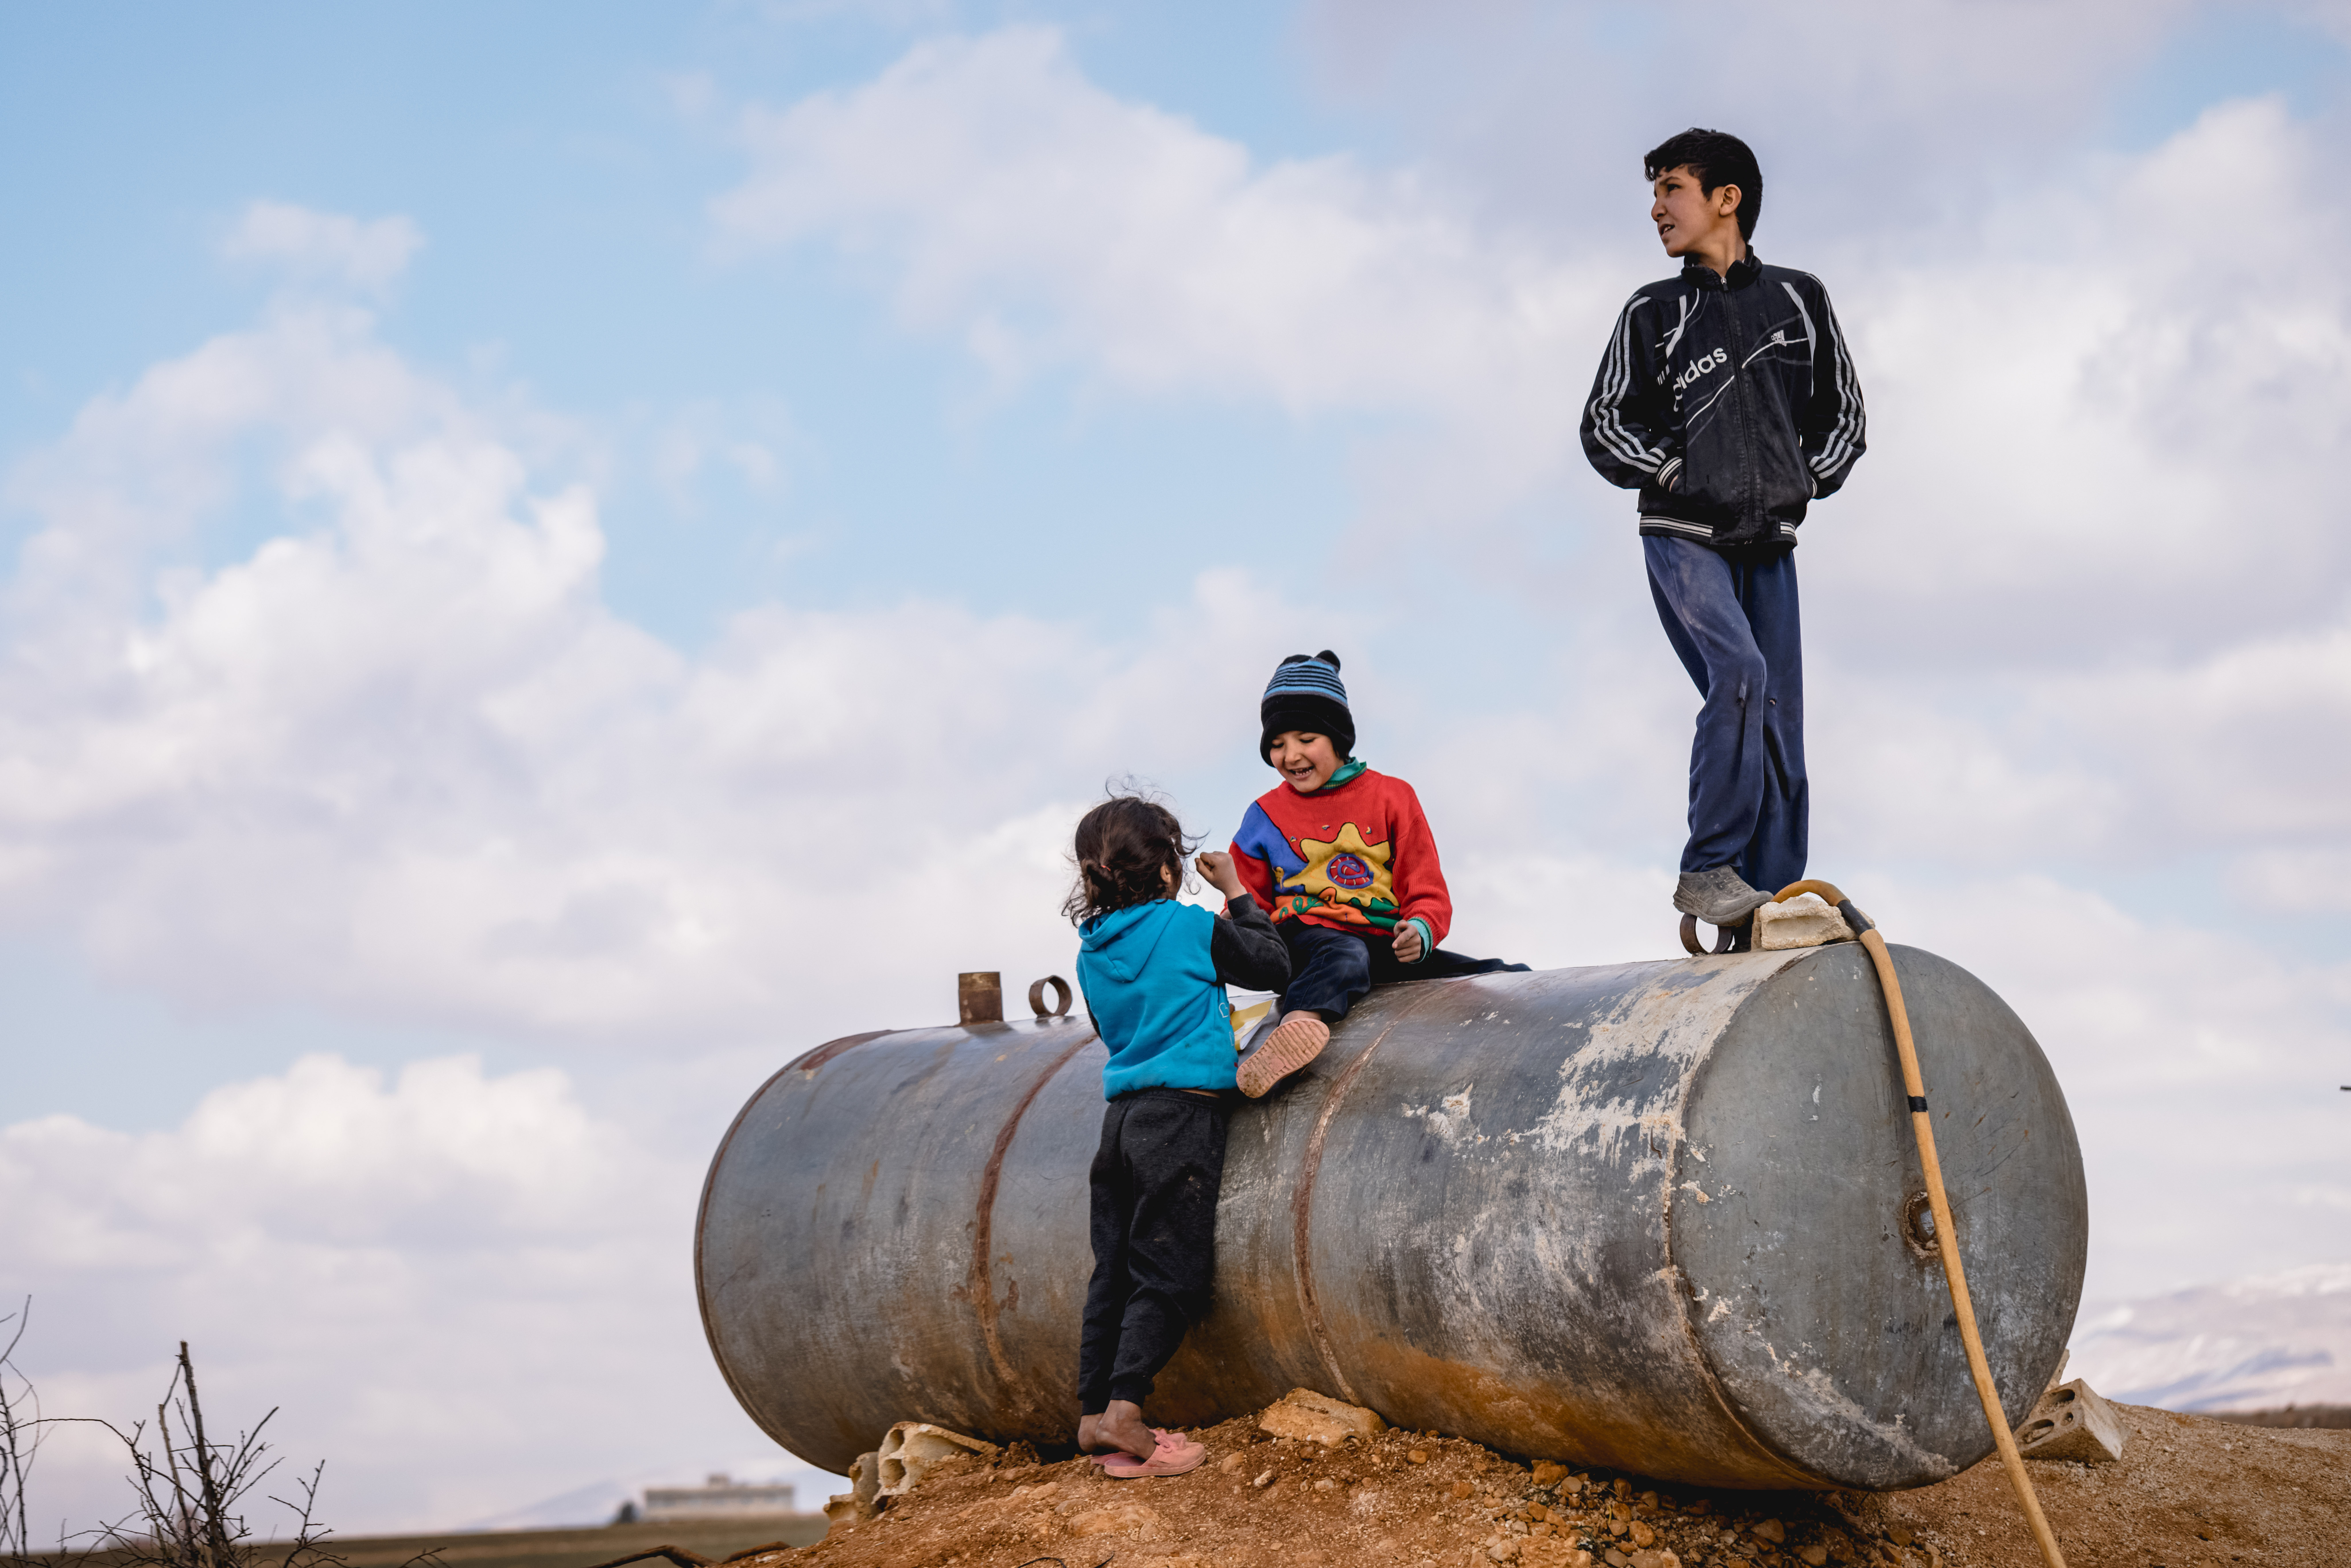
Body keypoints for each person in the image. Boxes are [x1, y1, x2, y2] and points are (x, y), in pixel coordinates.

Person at [1578, 127, 1865, 941]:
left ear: (1725, 198)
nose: (1657, 209)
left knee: (1779, 716)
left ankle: (1772, 901)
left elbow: (1844, 417)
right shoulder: (1652, 311)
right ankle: (1709, 869)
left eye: (1672, 189)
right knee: (1738, 672)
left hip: (1769, 540)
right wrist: (1677, 473)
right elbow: (1605, 424)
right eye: (1656, 194)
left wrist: (1802, 481)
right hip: (1682, 534)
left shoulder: (1800, 299)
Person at [1068, 793, 1289, 1476]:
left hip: (1121, 1120)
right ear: (1167, 868)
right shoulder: (1189, 925)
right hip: (1181, 1113)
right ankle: (1127, 1412)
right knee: (1170, 1270)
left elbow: (1110, 1031)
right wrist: (1237, 892)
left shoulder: (1091, 952)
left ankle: (1092, 1415)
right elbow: (1271, 966)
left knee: (1114, 1268)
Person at [1224, 651, 1526, 1096]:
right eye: (1277, 745)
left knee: (1492, 977)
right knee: (1344, 954)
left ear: (1338, 738)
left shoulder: (1393, 797)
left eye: (1306, 739)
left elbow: (1425, 885)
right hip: (1305, 940)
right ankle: (1295, 1030)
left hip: (1380, 942)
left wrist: (1420, 930)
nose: (1291, 755)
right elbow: (1248, 900)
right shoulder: (1265, 815)